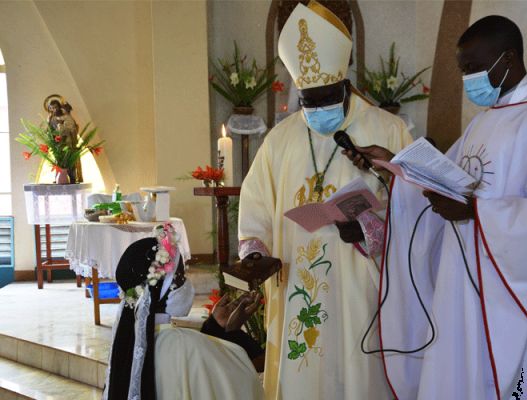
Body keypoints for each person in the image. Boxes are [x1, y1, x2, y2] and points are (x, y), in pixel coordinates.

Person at [347, 15, 527, 400]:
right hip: (461, 283)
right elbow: (442, 179)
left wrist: (476, 212)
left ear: (509, 58)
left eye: (474, 68)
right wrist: (394, 164)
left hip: (514, 294)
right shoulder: (482, 124)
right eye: (463, 69)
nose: (468, 79)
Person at [237, 1, 413, 398]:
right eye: (308, 100)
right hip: (297, 278)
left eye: (326, 97)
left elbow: (415, 208)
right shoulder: (279, 141)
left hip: (360, 287)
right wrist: (254, 250)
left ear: (345, 82)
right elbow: (256, 204)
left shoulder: (387, 129)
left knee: (358, 375)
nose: (317, 109)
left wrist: (368, 228)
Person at [103, 223, 265, 400]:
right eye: (180, 277)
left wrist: (215, 327)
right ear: (162, 289)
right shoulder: (184, 344)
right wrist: (232, 332)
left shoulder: (127, 343)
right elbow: (240, 378)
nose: (186, 284)